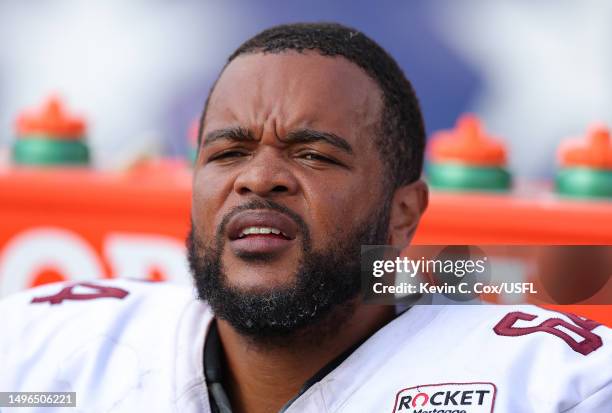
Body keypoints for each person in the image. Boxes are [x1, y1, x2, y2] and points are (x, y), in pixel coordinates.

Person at [0, 23, 610, 413]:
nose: (258, 177)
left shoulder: (552, 386)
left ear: (403, 215)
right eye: (227, 152)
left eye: (313, 154)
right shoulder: (42, 358)